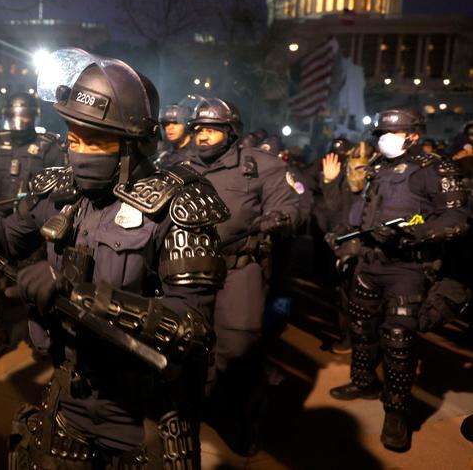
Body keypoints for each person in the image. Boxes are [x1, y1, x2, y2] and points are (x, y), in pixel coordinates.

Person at [0, 49, 228, 467]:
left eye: (95, 140)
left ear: (131, 143)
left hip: (144, 408)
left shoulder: (178, 203)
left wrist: (83, 295)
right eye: (74, 138)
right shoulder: (59, 189)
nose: (80, 152)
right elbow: (5, 235)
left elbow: (193, 327)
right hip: (69, 392)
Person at [328, 107, 468, 451]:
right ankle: (364, 382)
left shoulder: (436, 169)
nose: (384, 140)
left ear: (414, 136)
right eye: (381, 134)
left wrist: (413, 234)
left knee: (398, 341)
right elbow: (363, 214)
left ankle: (397, 412)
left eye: (392, 133)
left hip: (407, 267)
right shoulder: (378, 168)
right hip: (369, 263)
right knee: (361, 328)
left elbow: (458, 219)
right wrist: (346, 240)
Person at [185, 98, 301, 455]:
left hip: (238, 270)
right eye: (199, 129)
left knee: (237, 349)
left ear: (231, 132)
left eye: (212, 129)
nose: (203, 136)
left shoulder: (261, 166)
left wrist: (276, 219)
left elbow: (292, 207)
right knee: (188, 343)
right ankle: (197, 405)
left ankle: (236, 416)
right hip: (186, 269)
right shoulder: (181, 165)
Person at [0, 92, 65, 364]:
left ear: (35, 116)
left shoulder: (49, 147)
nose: (19, 121)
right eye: (15, 116)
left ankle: (44, 339)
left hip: (31, 231)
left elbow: (59, 190)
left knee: (32, 286)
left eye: (25, 115)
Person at [321, 141, 376, 353]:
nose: (357, 171)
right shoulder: (342, 180)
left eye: (362, 166)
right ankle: (349, 338)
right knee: (345, 296)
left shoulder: (381, 180)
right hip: (347, 248)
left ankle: (369, 341)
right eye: (354, 165)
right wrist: (329, 181)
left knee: (369, 300)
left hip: (373, 248)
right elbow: (335, 210)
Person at [155, 95, 199, 167]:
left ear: (187, 125)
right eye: (166, 124)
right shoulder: (164, 156)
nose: (169, 128)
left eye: (175, 123)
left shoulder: (197, 156)